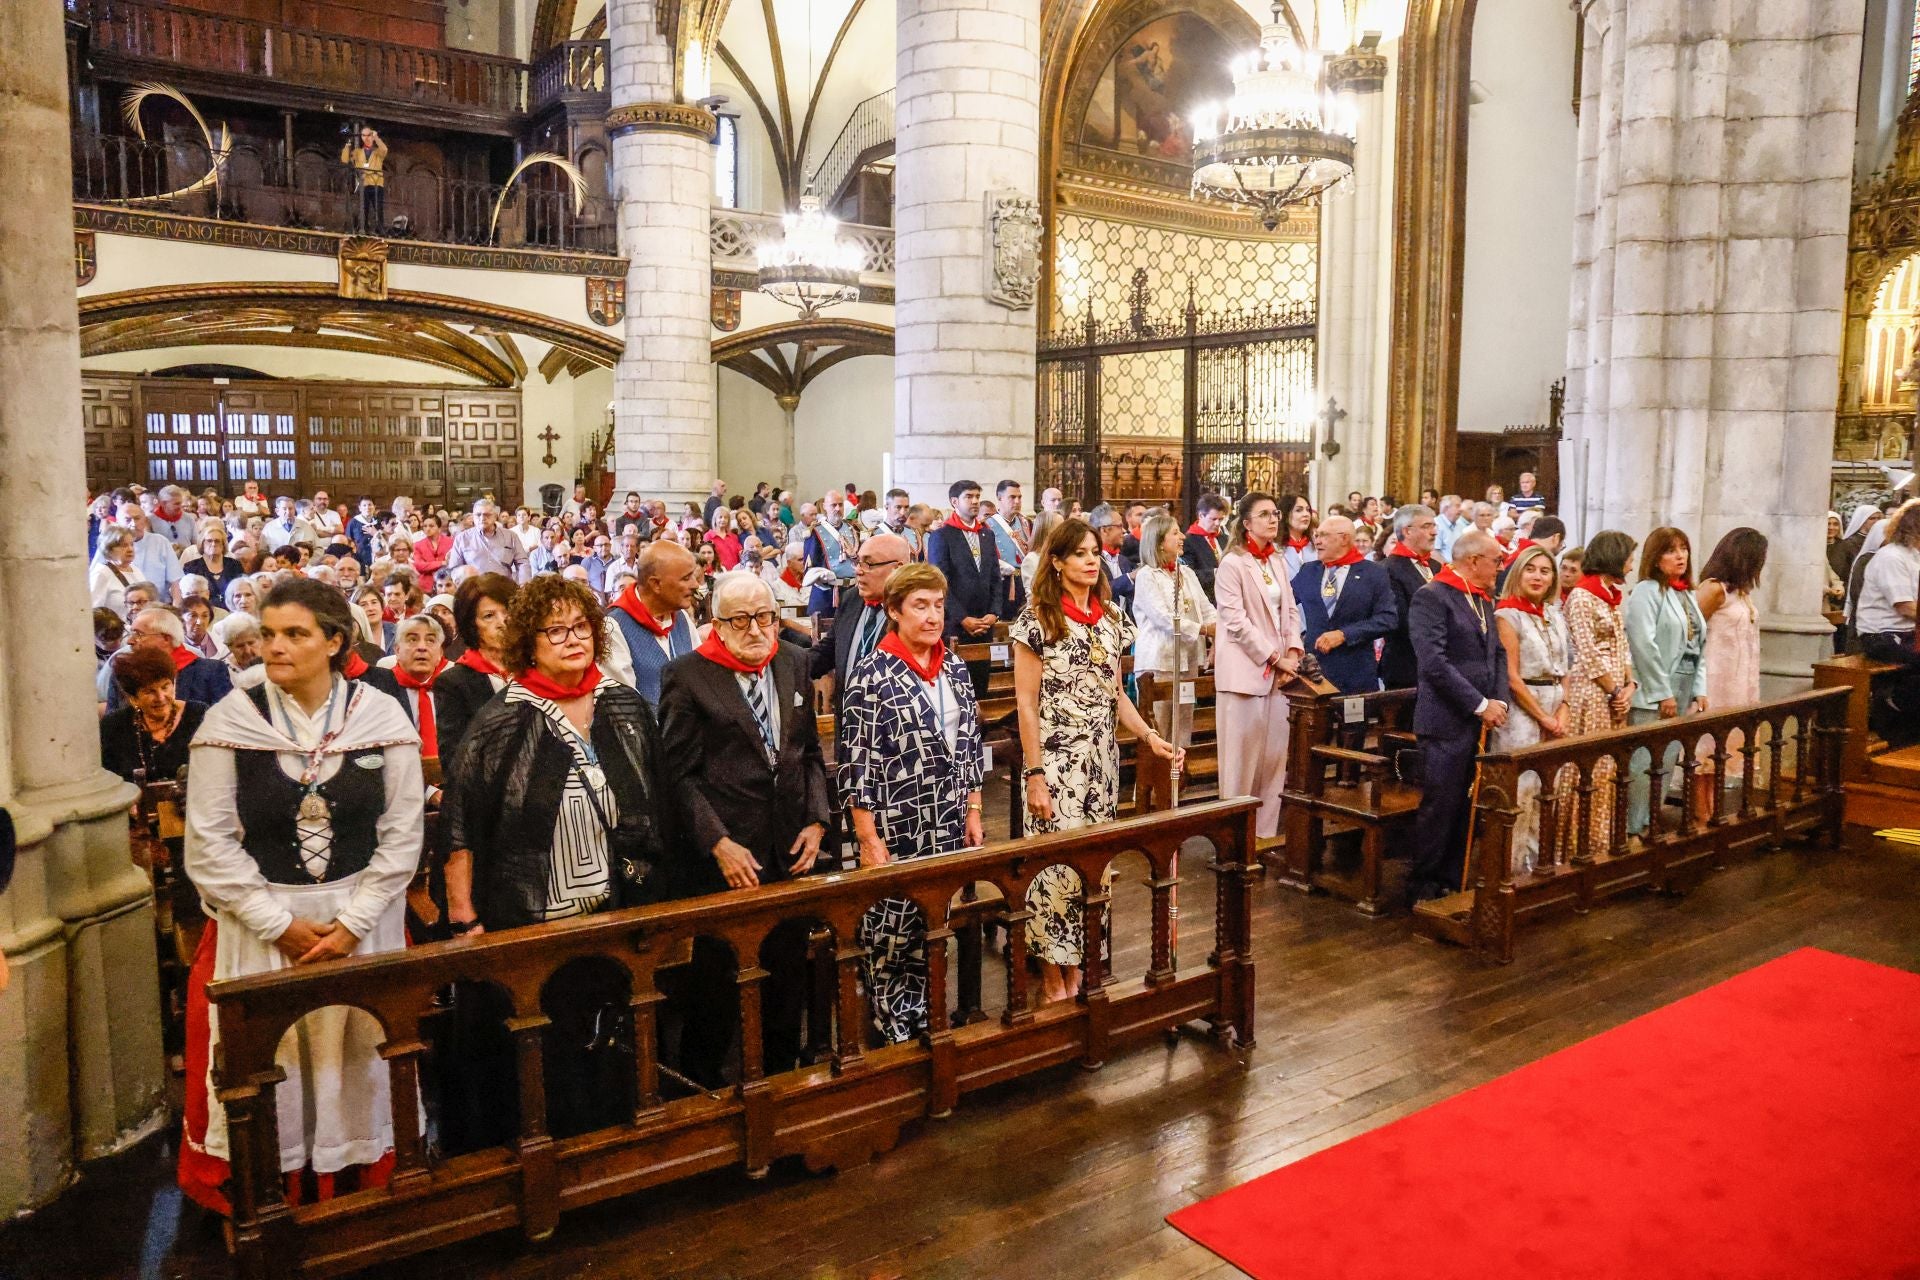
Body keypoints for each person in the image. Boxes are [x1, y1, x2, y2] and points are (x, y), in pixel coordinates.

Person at [177, 576, 423, 1215]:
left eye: (295, 634)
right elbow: (209, 846)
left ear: (334, 641)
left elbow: (401, 836)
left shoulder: (379, 714)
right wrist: (277, 923)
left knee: (356, 1055)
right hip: (264, 928)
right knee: (277, 1063)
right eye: (268, 634)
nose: (275, 647)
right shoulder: (231, 719)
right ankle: (275, 1198)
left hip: (361, 925)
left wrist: (353, 924)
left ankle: (359, 1192)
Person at [440, 575, 672, 1137]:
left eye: (582, 627)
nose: (573, 639)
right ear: (529, 642)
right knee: (549, 1047)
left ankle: (618, 1149)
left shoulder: (624, 705)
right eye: (556, 630)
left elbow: (659, 796)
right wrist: (464, 918)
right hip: (532, 914)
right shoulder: (503, 719)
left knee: (616, 1038)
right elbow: (461, 826)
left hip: (621, 906)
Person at [658, 573, 831, 1082]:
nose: (756, 629)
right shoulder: (687, 676)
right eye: (741, 619)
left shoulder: (793, 662)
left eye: (766, 616)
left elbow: (811, 755)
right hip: (727, 859)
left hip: (789, 849)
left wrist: (818, 820)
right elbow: (678, 777)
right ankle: (700, 1096)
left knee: (786, 984)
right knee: (715, 990)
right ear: (718, 623)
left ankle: (780, 1083)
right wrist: (718, 842)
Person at [1012, 518, 1177, 1004]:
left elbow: (1116, 696)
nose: (1090, 560)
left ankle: (1082, 964)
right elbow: (1025, 703)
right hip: (1055, 762)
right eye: (1079, 553)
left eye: (1094, 552)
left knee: (1093, 867)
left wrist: (1149, 736)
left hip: (1100, 764)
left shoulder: (1110, 618)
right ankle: (1051, 974)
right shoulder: (1037, 618)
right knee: (1052, 868)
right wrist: (1035, 773)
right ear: (1057, 562)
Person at [842, 563, 984, 1042]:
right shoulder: (872, 674)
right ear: (894, 611)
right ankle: (891, 1042)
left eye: (938, 605)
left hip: (945, 822)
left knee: (933, 931)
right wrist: (866, 837)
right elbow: (856, 762)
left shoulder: (956, 668)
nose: (932, 616)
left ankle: (928, 1031)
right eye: (920, 606)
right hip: (895, 826)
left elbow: (969, 742)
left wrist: (974, 808)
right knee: (891, 938)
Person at [1406, 530, 1509, 901]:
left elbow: (1496, 654)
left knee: (1467, 803)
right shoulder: (1432, 597)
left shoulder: (1483, 599)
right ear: (1473, 561)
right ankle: (1423, 885)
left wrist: (1500, 700)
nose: (1501, 567)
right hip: (1445, 720)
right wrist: (1480, 704)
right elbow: (1433, 663)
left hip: (1480, 718)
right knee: (1441, 804)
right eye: (1496, 561)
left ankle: (1454, 878)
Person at [1212, 492, 1306, 841]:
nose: (1273, 520)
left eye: (1275, 514)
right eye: (1264, 514)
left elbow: (1291, 611)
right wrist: (1273, 656)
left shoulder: (1277, 561)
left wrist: (1293, 651)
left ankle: (1263, 836)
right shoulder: (1232, 564)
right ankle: (1233, 838)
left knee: (1272, 760)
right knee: (1240, 764)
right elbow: (1234, 622)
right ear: (1246, 523)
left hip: (1281, 673)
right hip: (1245, 673)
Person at [1490, 545, 1572, 874]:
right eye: (1531, 569)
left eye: (1545, 570)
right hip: (1522, 709)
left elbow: (1566, 667)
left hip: (1555, 701)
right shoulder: (1507, 615)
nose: (1538, 576)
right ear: (1518, 573)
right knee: (1521, 792)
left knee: (1547, 790)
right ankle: (1510, 872)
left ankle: (1539, 865)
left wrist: (1563, 708)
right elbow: (1511, 676)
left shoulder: (1554, 613)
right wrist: (1543, 717)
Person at [1625, 526, 1710, 834]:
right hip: (1654, 688)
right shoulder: (1647, 591)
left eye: (1683, 549)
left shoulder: (1686, 593)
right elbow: (1643, 646)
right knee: (1645, 761)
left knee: (1667, 758)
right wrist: (1663, 692)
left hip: (1684, 683)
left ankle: (1651, 820)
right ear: (1655, 557)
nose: (1680, 556)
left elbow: (1699, 643)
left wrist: (1699, 688)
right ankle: (1632, 827)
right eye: (1671, 550)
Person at [1564, 530, 1638, 854]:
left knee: (1608, 768)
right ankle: (1575, 845)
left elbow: (1623, 646)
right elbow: (1587, 651)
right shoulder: (1582, 596)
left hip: (1614, 690)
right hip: (1592, 691)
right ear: (1614, 557)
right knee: (1588, 767)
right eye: (1629, 557)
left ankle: (1600, 841)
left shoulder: (1609, 596)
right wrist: (1613, 690)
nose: (1632, 563)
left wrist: (1630, 685)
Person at [1132, 510, 1216, 742]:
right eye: (1176, 533)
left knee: (1182, 726)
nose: (1183, 538)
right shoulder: (1147, 576)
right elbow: (1163, 618)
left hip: (1187, 659)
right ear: (1159, 542)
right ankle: (1157, 777)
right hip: (1159, 662)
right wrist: (1205, 630)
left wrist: (1220, 629)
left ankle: (1180, 773)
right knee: (1159, 728)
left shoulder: (1186, 572)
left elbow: (1205, 607)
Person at [1697, 528, 1769, 796]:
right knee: (1704, 753)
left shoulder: (1741, 592)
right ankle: (1700, 817)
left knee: (1723, 754)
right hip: (1715, 679)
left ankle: (1713, 815)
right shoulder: (1714, 588)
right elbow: (1691, 631)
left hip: (1738, 681)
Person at [1291, 514, 1398, 694]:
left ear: (1344, 539)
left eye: (1324, 535)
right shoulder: (1308, 571)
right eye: (1316, 535)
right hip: (1314, 674)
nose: (1317, 541)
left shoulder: (1373, 573)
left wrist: (1344, 634)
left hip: (1355, 674)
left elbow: (1388, 619)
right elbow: (1282, 604)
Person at [1852, 499, 1920, 744]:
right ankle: (1894, 713)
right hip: (1881, 636)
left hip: (1908, 633)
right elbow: (1904, 606)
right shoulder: (1891, 557)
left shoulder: (1914, 556)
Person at [432, 573, 518, 769]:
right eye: (489, 616)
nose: (502, 622)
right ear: (471, 625)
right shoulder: (453, 683)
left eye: (508, 612)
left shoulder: (536, 669)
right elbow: (454, 760)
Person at [603, 540, 701, 702]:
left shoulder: (682, 617)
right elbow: (625, 705)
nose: (695, 584)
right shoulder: (614, 626)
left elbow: (698, 677)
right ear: (656, 584)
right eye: (686, 578)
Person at [99, 647, 207, 785]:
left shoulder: (199, 716)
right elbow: (110, 779)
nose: (161, 698)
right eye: (150, 691)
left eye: (165, 687)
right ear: (133, 699)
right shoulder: (114, 726)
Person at [103, 606, 233, 710]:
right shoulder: (122, 675)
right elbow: (113, 726)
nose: (130, 641)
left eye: (139, 634)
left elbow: (226, 720)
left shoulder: (210, 671)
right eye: (131, 634)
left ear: (166, 638)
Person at [1378, 503, 1438, 689]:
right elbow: (1399, 619)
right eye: (1426, 526)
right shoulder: (1389, 569)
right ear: (1407, 531)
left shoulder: (1435, 566)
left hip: (1436, 663)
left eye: (1434, 526)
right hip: (1406, 666)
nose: (1434, 532)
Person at [446, 499, 529, 584]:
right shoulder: (462, 539)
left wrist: (523, 585)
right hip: (474, 590)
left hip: (504, 589)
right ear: (473, 517)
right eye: (478, 515)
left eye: (487, 515)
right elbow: (455, 568)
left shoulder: (510, 536)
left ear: (495, 516)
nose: (482, 518)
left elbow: (523, 563)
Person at [1089, 503, 1136, 616]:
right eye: (1119, 526)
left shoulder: (1124, 561)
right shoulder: (1092, 559)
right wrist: (1130, 577)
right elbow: (1099, 592)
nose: (1124, 531)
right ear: (1104, 530)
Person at [341, 124, 388, 233]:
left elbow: (384, 150)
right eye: (364, 136)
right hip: (364, 184)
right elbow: (344, 159)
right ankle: (364, 229)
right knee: (364, 209)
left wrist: (377, 138)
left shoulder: (377, 152)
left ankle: (380, 229)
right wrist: (348, 143)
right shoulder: (357, 152)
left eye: (369, 135)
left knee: (378, 208)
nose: (366, 138)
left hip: (377, 184)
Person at [1182, 492, 1230, 600]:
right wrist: (1215, 573)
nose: (1218, 524)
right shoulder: (1188, 541)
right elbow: (1188, 574)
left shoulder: (1224, 538)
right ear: (1200, 516)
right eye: (1213, 519)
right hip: (1206, 597)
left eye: (1221, 519)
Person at [213, 612, 267, 690]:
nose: (247, 651)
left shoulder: (272, 661)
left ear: (260, 640)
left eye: (251, 643)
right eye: (240, 646)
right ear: (229, 647)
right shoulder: (222, 673)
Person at [91, 526, 138, 615]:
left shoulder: (136, 569)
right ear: (109, 549)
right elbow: (94, 612)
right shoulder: (101, 573)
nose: (130, 549)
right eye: (124, 545)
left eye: (131, 544)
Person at [1279, 494, 1316, 578]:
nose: (1306, 514)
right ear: (1285, 514)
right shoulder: (1274, 547)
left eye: (1308, 510)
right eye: (1299, 510)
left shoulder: (1316, 544)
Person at [412, 513, 453, 583]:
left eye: (431, 526)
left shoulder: (451, 542)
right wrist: (442, 563)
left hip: (448, 581)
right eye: (425, 526)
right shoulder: (418, 545)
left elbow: (453, 562)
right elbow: (419, 566)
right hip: (426, 584)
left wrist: (429, 565)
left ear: (439, 528)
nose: (427, 529)